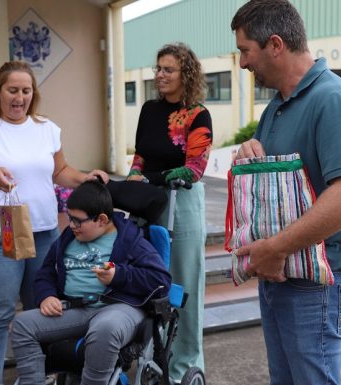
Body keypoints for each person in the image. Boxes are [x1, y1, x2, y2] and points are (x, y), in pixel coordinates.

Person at [230, 1, 341, 384]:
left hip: (318, 283)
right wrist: (248, 154)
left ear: (275, 44)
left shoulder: (333, 100)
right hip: (281, 273)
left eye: (245, 50)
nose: (242, 63)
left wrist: (276, 248)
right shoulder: (276, 107)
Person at [0, 60, 108, 385]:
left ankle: (35, 378)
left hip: (44, 234)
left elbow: (59, 172)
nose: (20, 97)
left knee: (41, 310)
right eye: (13, 90)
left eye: (26, 90)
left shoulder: (46, 128)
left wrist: (85, 178)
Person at [11, 180, 172, 385]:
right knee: (23, 324)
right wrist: (47, 296)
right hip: (75, 309)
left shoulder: (130, 240)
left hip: (118, 308)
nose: (71, 225)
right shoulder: (68, 238)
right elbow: (46, 273)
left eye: (78, 221)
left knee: (105, 328)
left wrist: (119, 275)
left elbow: (161, 280)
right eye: (70, 218)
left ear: (102, 219)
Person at [126, 42, 212, 381]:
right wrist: (135, 175)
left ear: (185, 74)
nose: (160, 75)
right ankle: (156, 358)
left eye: (168, 70)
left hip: (183, 202)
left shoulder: (197, 115)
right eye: (158, 69)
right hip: (149, 201)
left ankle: (184, 366)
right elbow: (140, 154)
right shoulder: (149, 109)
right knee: (153, 285)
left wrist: (149, 178)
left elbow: (194, 169)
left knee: (184, 284)